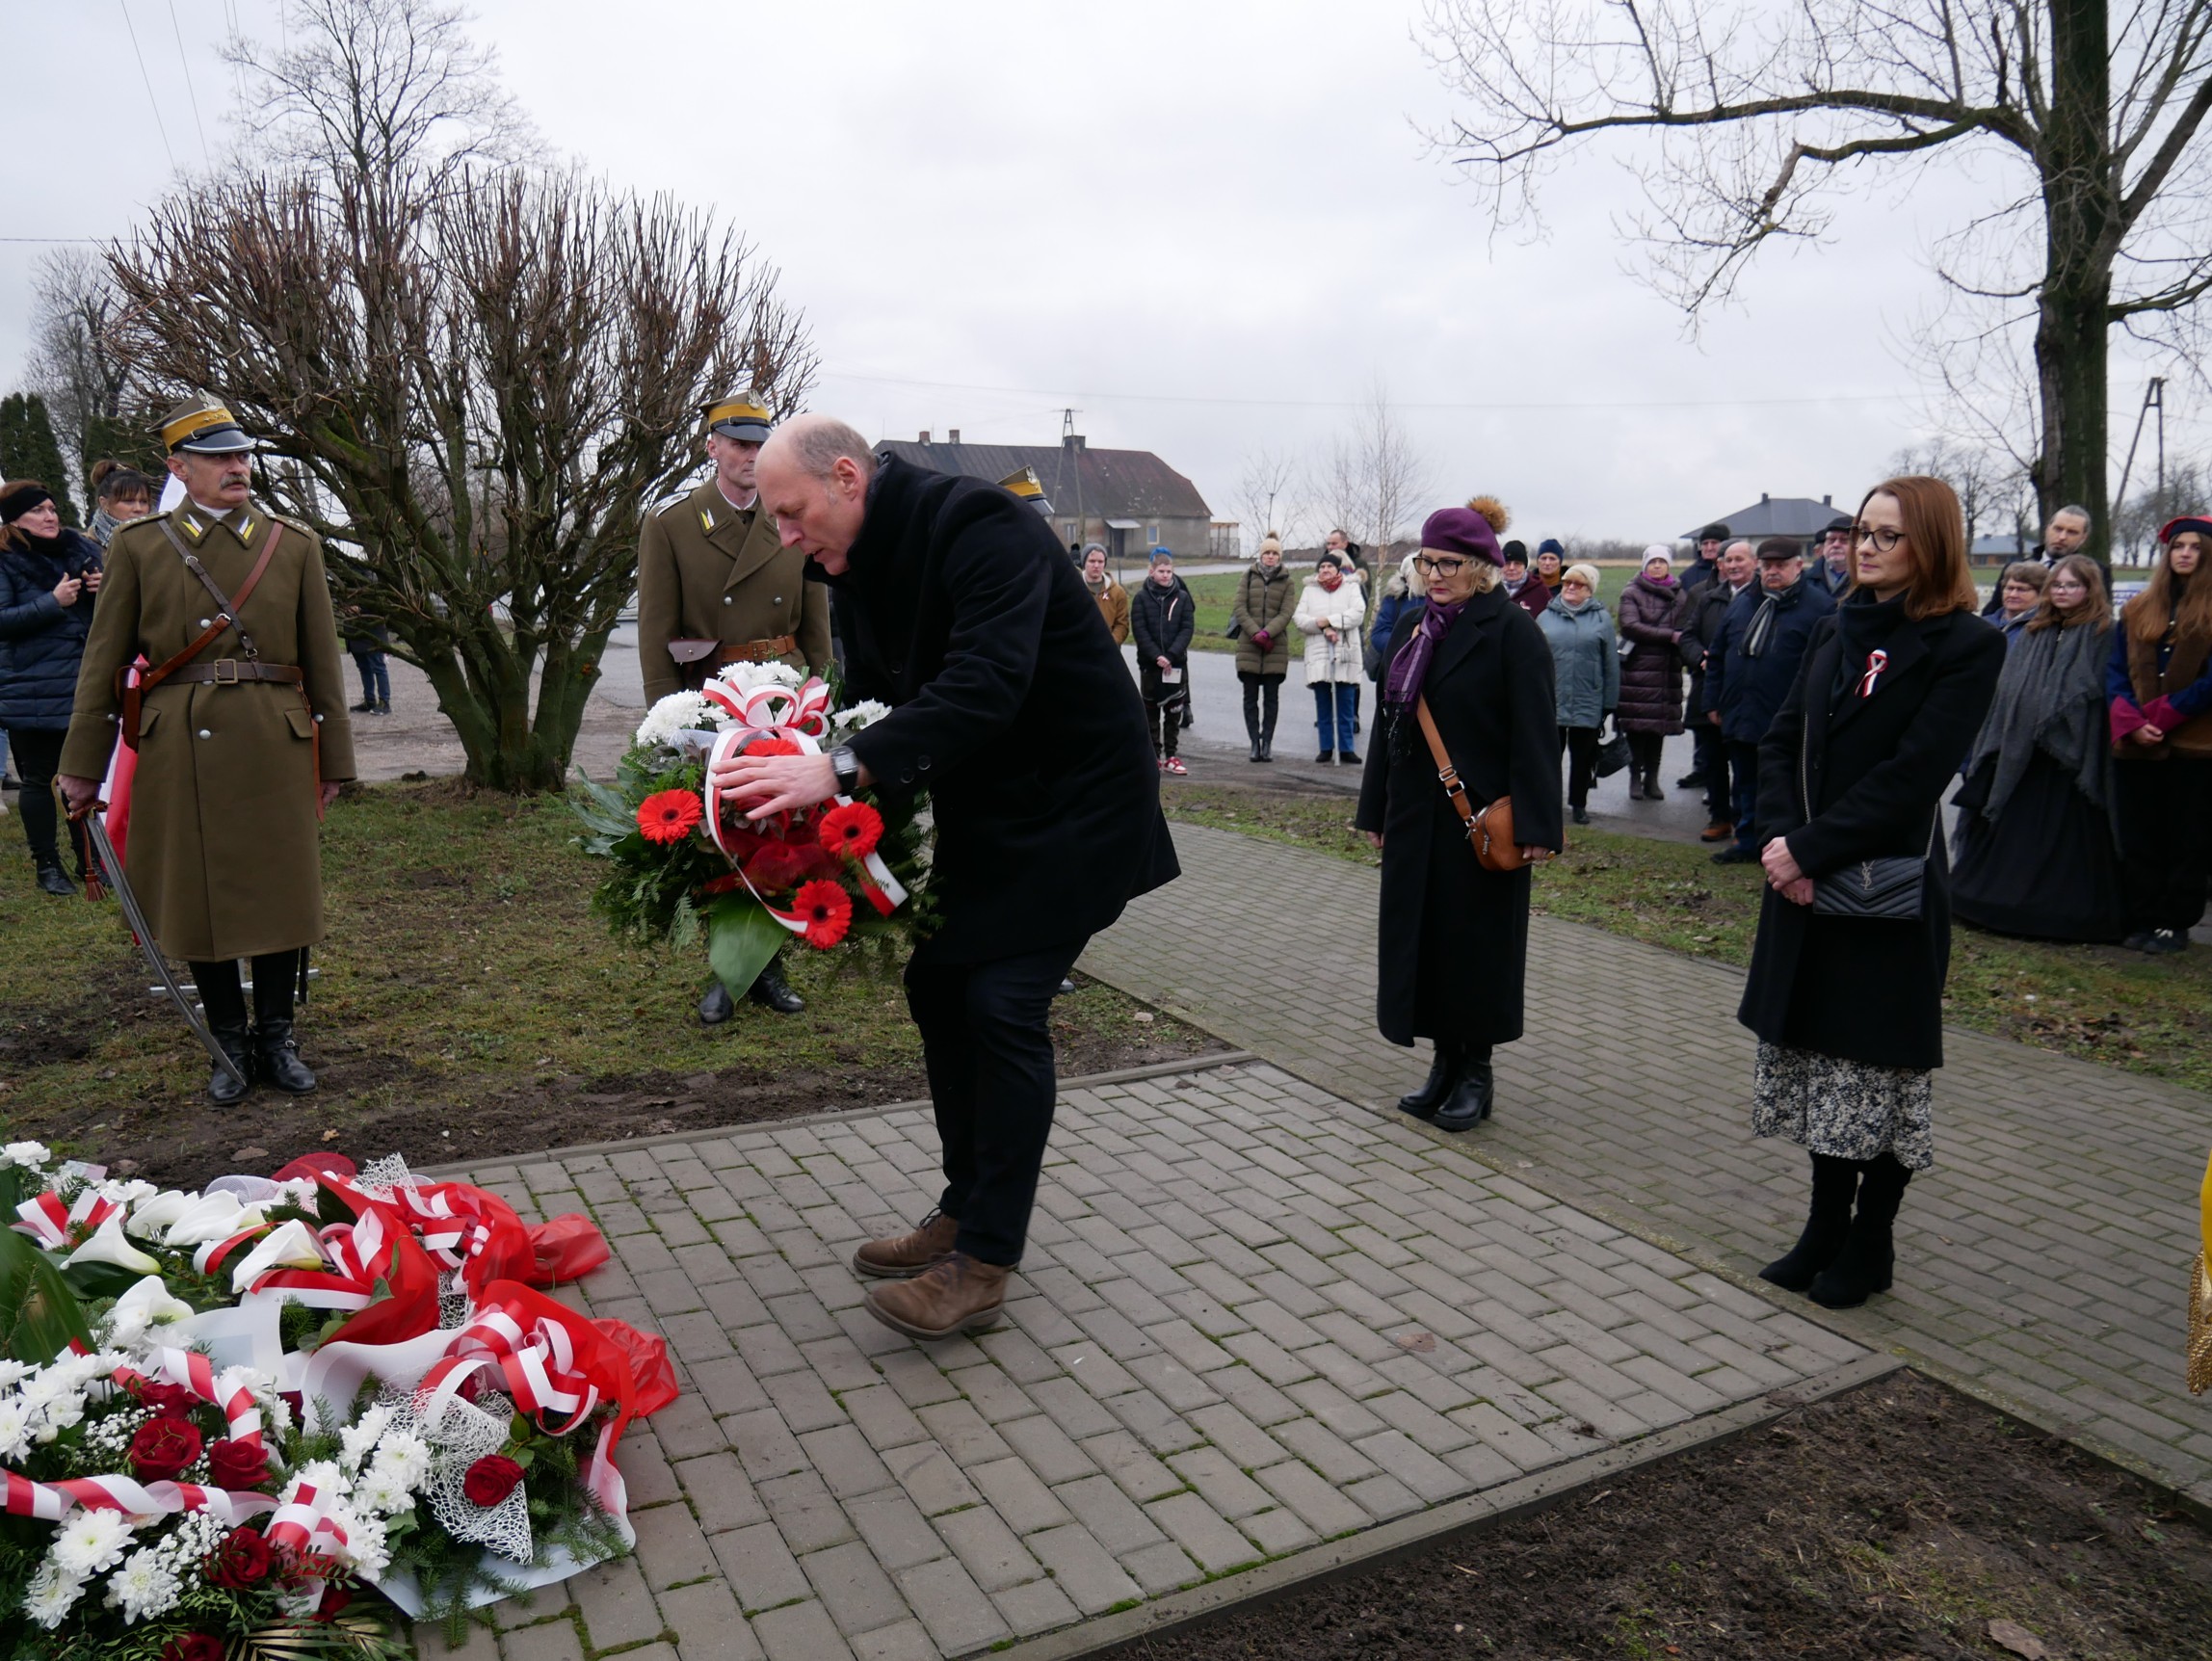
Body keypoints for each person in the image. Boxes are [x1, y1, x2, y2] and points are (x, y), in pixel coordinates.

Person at [712, 415, 1178, 1340]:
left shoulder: (977, 526)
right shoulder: (852, 563)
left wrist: (842, 770)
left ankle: (985, 1262)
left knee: (1002, 1005)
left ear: (848, 478)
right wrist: (786, 756)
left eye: (794, 513)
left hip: (1077, 809)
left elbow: (986, 683)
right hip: (992, 815)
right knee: (938, 986)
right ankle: (964, 1211)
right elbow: (874, 699)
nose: (788, 537)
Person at [1742, 474, 2003, 1311]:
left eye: (1889, 535)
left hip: (1885, 893)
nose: (1867, 547)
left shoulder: (1967, 645)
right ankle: (1824, 1228)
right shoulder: (1833, 626)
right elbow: (1782, 740)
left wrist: (1808, 849)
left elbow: (1913, 776)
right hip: (1806, 885)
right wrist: (1782, 844)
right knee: (1823, 1067)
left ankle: (1872, 1238)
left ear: (1933, 543)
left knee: (1879, 1075)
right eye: (1861, 531)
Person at [57, 394, 359, 1104]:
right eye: (218, 457)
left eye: (241, 455)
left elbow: (323, 661)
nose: (237, 467)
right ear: (179, 468)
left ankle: (276, 1038)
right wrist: (81, 765)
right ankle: (228, 1042)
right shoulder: (141, 546)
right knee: (198, 897)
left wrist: (335, 759)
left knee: (281, 893)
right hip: (179, 744)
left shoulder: (293, 543)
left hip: (274, 739)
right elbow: (103, 663)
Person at [1357, 506, 1561, 1131]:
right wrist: (1375, 807)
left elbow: (1536, 735)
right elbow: (1389, 724)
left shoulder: (1513, 632)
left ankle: (1477, 1072)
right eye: (1428, 562)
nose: (1436, 574)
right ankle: (1443, 1064)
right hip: (1417, 820)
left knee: (1476, 950)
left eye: (1450, 564)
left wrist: (1538, 826)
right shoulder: (1412, 625)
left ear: (1482, 568)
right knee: (1427, 946)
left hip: (1481, 825)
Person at [637, 390, 831, 1022]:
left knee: (783, 830)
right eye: (740, 444)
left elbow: (816, 620)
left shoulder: (790, 515)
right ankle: (729, 970)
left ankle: (768, 966)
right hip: (713, 701)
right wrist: (666, 718)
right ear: (712, 448)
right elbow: (655, 631)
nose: (751, 456)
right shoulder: (672, 525)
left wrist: (823, 690)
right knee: (721, 836)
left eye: (759, 445)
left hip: (782, 697)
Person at [1951, 555, 2123, 941]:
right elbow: (2009, 689)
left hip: (2071, 763)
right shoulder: (2033, 630)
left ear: (2090, 589)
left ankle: (2060, 910)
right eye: (2057, 585)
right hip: (2021, 756)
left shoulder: (2105, 634)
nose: (2062, 592)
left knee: (2067, 839)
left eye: (2072, 585)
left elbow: (2097, 690)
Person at [2107, 515, 2212, 954]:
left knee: (2187, 837)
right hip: (2136, 742)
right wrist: (2131, 721)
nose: (2185, 554)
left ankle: (2174, 921)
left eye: (2195, 547)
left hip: (2194, 743)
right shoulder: (2138, 608)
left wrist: (2166, 715)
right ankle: (2143, 916)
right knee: (2140, 834)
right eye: (2178, 546)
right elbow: (2115, 670)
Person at [1705, 539, 1835, 865]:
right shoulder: (1743, 603)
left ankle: (1781, 847)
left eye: (1781, 565)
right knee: (1744, 782)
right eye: (1768, 566)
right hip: (1741, 711)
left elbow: (1828, 668)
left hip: (1787, 718)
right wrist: (1713, 702)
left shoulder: (1821, 608)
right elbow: (1717, 655)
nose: (1773, 571)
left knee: (1782, 786)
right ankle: (1747, 842)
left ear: (1798, 566)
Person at [0, 482, 103, 895]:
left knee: (84, 772)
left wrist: (102, 591)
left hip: (83, 681)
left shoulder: (81, 551)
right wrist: (51, 602)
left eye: (52, 508)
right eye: (38, 510)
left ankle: (90, 860)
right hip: (31, 685)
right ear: (15, 519)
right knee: (41, 777)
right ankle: (48, 865)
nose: (50, 516)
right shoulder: (5, 558)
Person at [1683, 540, 1755, 830]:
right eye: (1729, 560)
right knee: (1713, 761)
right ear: (1720, 565)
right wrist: (1699, 657)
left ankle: (1743, 822)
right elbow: (1687, 636)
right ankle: (1719, 817)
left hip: (1744, 694)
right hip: (1709, 690)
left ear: (1754, 563)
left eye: (1740, 560)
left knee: (1745, 764)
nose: (1733, 565)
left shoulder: (1764, 599)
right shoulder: (1708, 598)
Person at [1537, 562, 1617, 826]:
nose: (1571, 587)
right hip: (1552, 699)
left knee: (1583, 759)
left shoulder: (1602, 619)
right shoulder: (1545, 617)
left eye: (1578, 584)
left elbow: (1610, 664)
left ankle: (1579, 805)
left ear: (1589, 590)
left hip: (1587, 699)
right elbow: (1534, 660)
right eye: (1567, 582)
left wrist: (1609, 703)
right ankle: (1548, 804)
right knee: (1549, 757)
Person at [1615, 546, 1689, 800]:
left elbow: (1687, 625)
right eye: (1652, 561)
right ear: (1645, 565)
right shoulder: (1632, 592)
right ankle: (1635, 777)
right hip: (1639, 669)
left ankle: (1652, 779)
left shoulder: (1680, 595)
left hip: (1667, 669)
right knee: (1637, 728)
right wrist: (1670, 636)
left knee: (1659, 728)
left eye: (1662, 561)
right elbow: (1630, 625)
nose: (1657, 565)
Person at [1297, 551, 1365, 763]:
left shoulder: (1351, 587)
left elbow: (1357, 613)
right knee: (1323, 703)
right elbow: (1300, 618)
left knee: (1345, 704)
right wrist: (1322, 627)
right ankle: (1326, 747)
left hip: (1344, 651)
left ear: (1337, 569)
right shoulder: (1310, 590)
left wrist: (1330, 621)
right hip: (1319, 653)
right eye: (1322, 567)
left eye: (1329, 567)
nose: (1325, 570)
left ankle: (1346, 748)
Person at [1232, 533, 1296, 762]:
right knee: (1250, 698)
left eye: (1274, 553)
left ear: (1279, 556)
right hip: (1249, 646)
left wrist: (1268, 633)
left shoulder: (1288, 581)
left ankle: (1267, 741)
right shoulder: (1248, 577)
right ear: (1261, 555)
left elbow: (1286, 612)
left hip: (1274, 647)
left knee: (1271, 699)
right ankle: (1254, 743)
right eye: (1267, 553)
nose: (1270, 557)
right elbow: (1240, 608)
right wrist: (1255, 633)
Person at [1130, 547, 1194, 776]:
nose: (1166, 575)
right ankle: (1154, 756)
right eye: (1161, 571)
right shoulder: (1141, 598)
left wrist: (1171, 655)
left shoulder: (1182, 598)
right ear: (1152, 572)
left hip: (1175, 665)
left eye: (1169, 571)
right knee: (1151, 714)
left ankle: (1172, 755)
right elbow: (1140, 630)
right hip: (1151, 665)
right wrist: (1157, 656)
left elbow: (1187, 628)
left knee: (1174, 712)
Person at [1982, 505, 2104, 617]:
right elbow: (1994, 609)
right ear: (2047, 529)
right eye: (2058, 529)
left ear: (2083, 538)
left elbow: (2099, 613)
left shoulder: (2094, 571)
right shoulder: (2015, 568)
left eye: (2072, 532)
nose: (2062, 537)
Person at [86, 461, 156, 548]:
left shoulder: (162, 540)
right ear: (104, 503)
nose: (138, 508)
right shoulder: (84, 550)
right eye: (128, 501)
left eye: (143, 501)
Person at [342, 607, 391, 715]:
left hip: (372, 632)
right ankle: (369, 700)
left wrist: (361, 609)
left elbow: (382, 606)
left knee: (379, 668)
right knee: (364, 669)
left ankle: (384, 702)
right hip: (354, 632)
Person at [1989, 561, 2047, 646]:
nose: (2013, 595)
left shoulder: (2043, 629)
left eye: (2022, 590)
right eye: (2009, 588)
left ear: (2041, 593)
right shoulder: (1983, 624)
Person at [1081, 543, 1128, 645]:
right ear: (1084, 562)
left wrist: (1110, 643)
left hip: (1108, 649)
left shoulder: (1117, 592)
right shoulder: (1074, 589)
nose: (1096, 566)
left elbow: (1122, 624)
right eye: (1092, 561)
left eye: (1100, 561)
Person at [1500, 541, 1549, 620]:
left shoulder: (1540, 591)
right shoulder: (1490, 589)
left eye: (1517, 563)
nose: (1511, 568)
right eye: (1507, 563)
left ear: (1525, 566)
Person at [1811, 515, 1854, 596]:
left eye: (1844, 540)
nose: (1836, 545)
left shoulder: (1866, 581)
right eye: (1831, 539)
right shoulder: (1805, 580)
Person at [1681, 523, 1728, 593]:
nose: (1709, 548)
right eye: (1705, 543)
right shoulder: (1687, 576)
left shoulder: (1733, 570)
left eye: (1714, 543)